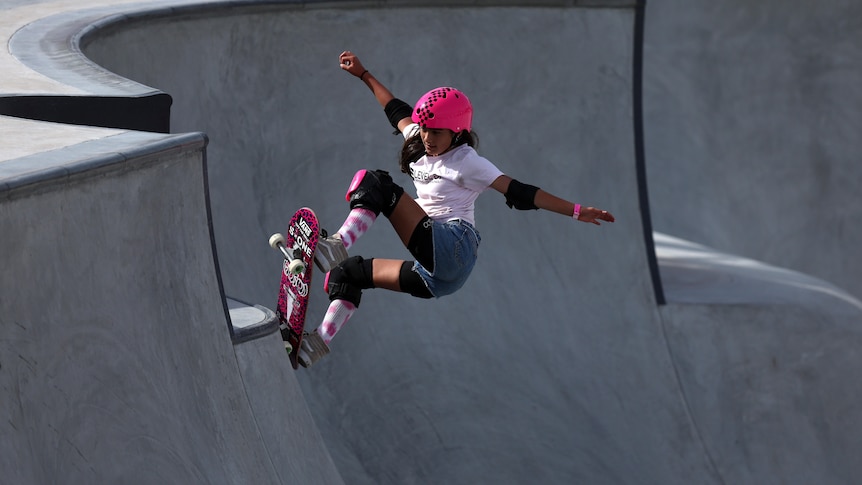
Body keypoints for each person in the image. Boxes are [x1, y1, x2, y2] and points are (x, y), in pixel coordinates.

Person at [298, 51, 616, 367]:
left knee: (374, 183)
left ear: (458, 132)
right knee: (347, 275)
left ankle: (333, 246)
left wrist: (576, 211)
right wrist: (364, 74)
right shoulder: (419, 140)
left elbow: (521, 191)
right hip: (436, 274)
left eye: (436, 133)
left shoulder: (467, 162)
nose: (428, 138)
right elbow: (394, 108)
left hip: (452, 244)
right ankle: (315, 346)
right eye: (424, 130)